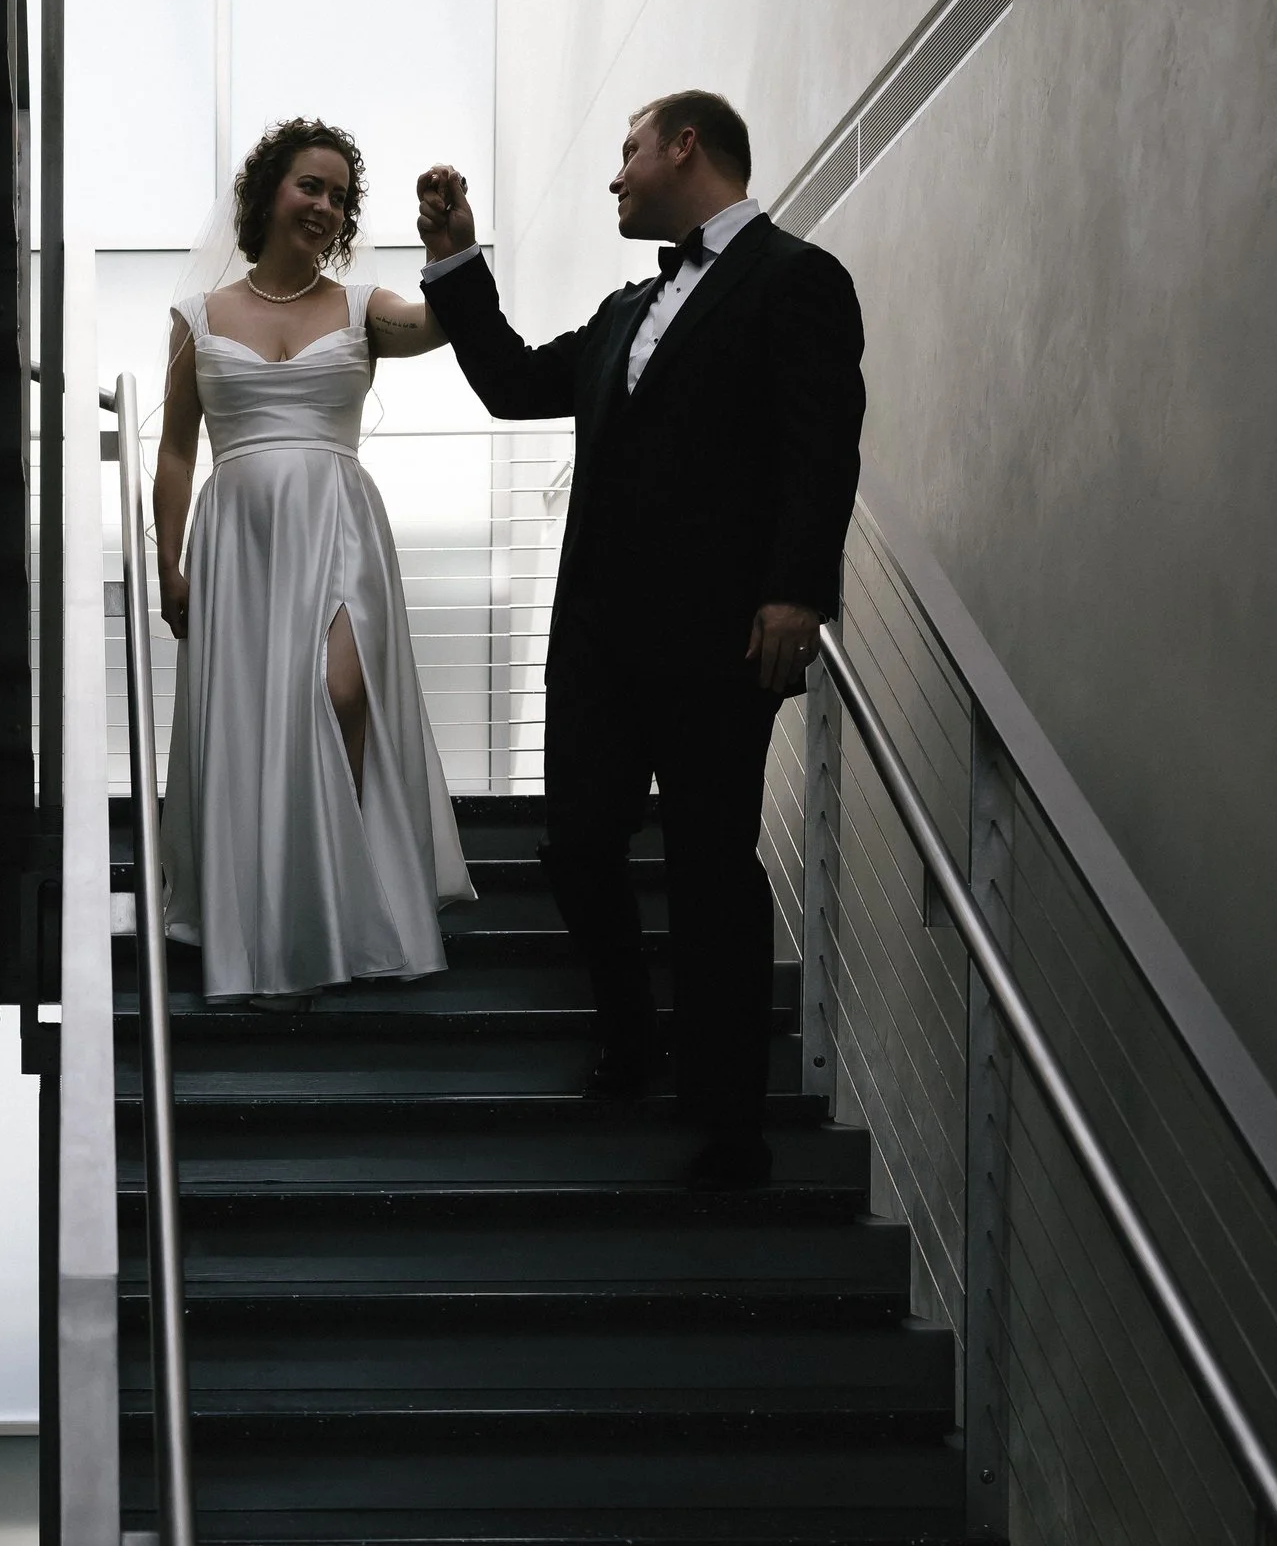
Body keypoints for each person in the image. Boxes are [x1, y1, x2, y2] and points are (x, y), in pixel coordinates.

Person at [416, 96, 865, 1187]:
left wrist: (797, 593)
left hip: (721, 640)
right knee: (576, 842)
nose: (613, 178)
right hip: (600, 643)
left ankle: (728, 1124)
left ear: (684, 147)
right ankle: (630, 1030)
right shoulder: (626, 309)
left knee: (711, 865)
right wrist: (453, 258)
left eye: (626, 152)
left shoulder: (797, 279)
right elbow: (517, 383)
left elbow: (821, 443)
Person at [155, 117, 473, 1004]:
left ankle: (349, 899)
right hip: (239, 538)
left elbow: (441, 324)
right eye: (311, 187)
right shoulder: (196, 318)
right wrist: (168, 563)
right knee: (254, 719)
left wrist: (454, 249)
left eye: (338, 195)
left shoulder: (362, 307)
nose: (326, 207)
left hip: (337, 522)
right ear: (267, 194)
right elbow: (176, 450)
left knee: (343, 691)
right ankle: (270, 918)